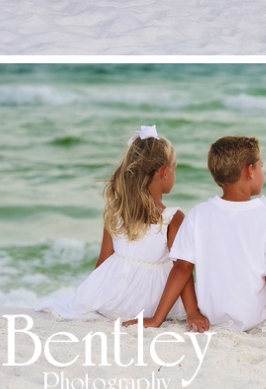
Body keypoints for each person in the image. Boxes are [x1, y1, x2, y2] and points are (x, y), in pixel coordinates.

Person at [127, 136, 266, 341]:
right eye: (261, 167)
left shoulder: (198, 214)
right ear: (249, 171)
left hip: (211, 318)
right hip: (254, 319)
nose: (262, 174)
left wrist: (157, 319)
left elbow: (182, 268)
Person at [35, 126, 205, 330]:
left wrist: (95, 293)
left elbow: (103, 262)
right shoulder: (172, 217)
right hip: (149, 303)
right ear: (163, 172)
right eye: (174, 169)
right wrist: (185, 313)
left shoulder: (116, 211)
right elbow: (181, 269)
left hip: (112, 299)